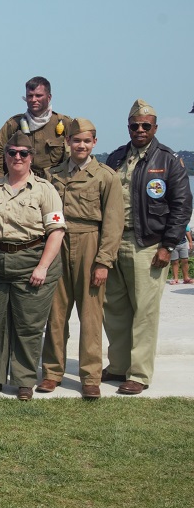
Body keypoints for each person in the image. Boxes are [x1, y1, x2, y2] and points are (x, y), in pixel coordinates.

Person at [102, 99, 193, 395]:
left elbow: (181, 206)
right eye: (134, 125)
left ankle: (139, 374)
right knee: (114, 308)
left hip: (149, 245)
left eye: (145, 125)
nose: (140, 130)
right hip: (115, 242)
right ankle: (117, 365)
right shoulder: (115, 158)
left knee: (144, 311)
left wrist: (169, 245)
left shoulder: (168, 160)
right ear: (127, 127)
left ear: (155, 127)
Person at [0, 131, 66, 401]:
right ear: (6, 156)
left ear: (31, 157)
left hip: (31, 260)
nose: (17, 157)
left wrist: (42, 267)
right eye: (12, 153)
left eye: (23, 153)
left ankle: (24, 381)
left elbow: (56, 231)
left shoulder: (45, 189)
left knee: (28, 325)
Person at [38, 118, 123, 399]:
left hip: (90, 242)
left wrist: (103, 261)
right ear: (68, 142)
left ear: (94, 143)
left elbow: (113, 223)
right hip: (58, 242)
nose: (81, 146)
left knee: (90, 315)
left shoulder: (106, 176)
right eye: (76, 141)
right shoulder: (54, 174)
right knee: (56, 313)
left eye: (87, 141)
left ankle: (90, 376)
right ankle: (52, 372)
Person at [0, 76, 71, 180]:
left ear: (49, 97)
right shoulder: (14, 124)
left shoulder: (64, 123)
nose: (33, 100)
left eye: (38, 96)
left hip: (54, 186)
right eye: (30, 96)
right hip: (22, 185)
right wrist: (1, 180)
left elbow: (79, 154)